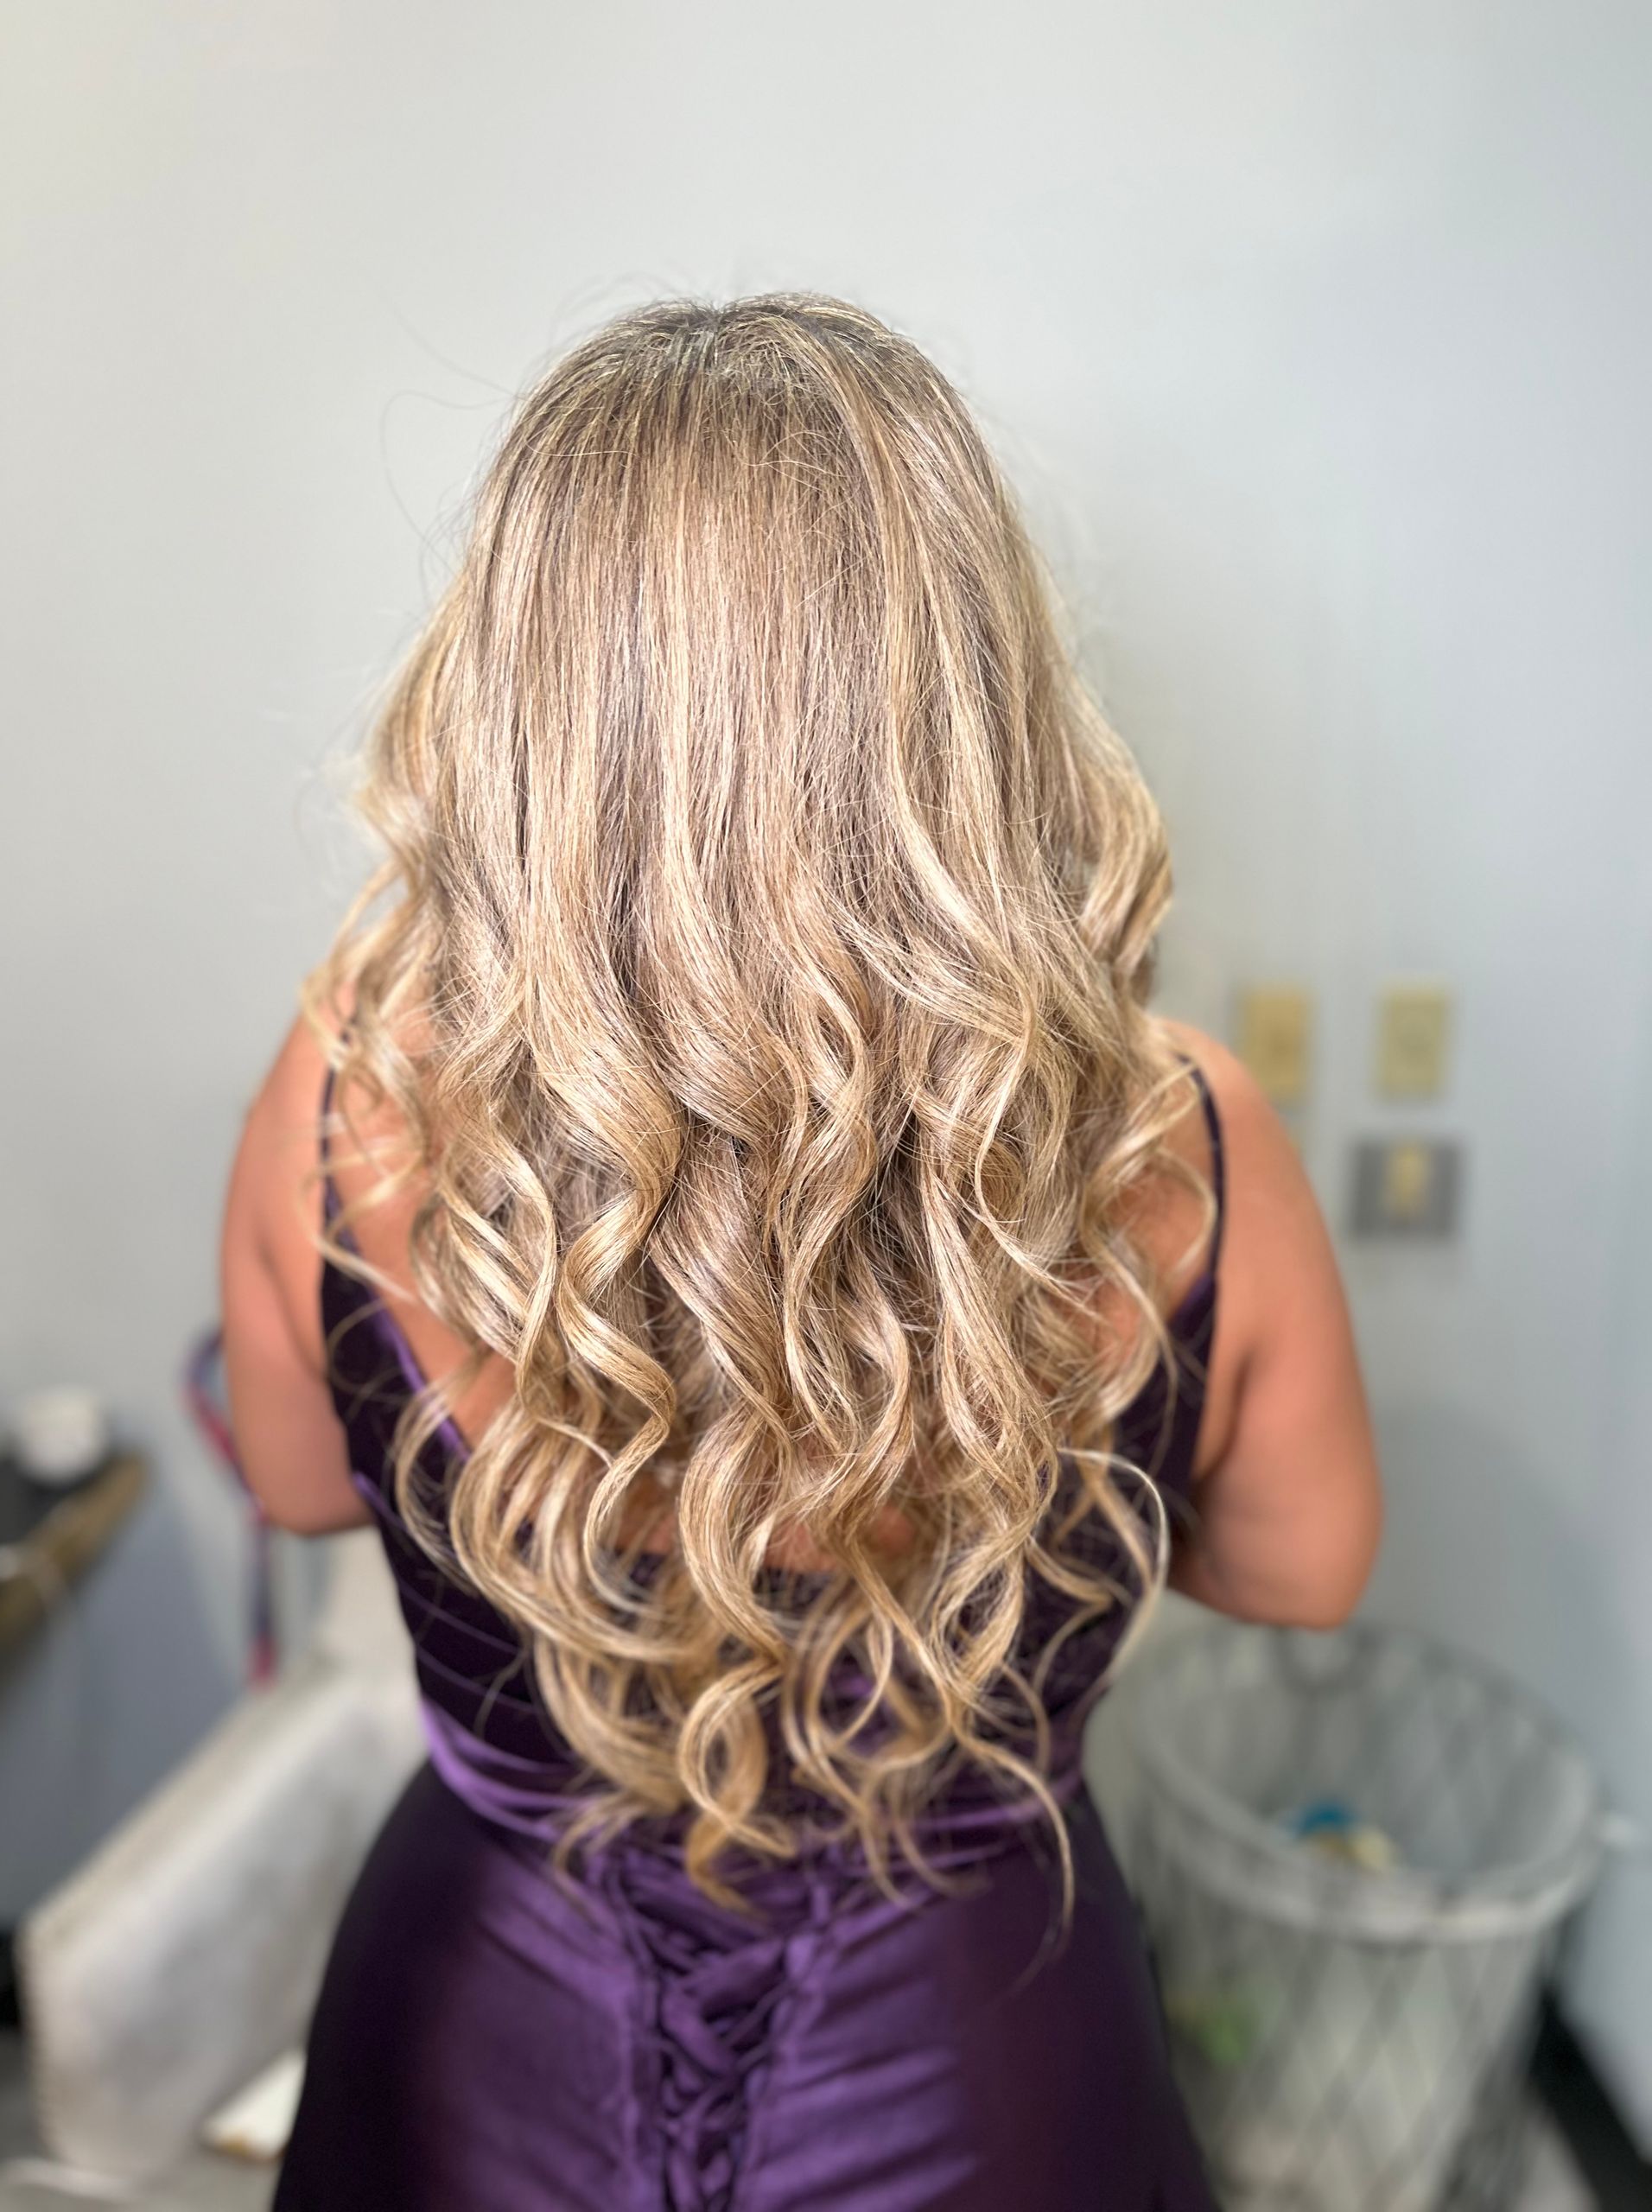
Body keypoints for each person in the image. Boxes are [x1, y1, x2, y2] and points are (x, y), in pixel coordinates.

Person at [220, 293, 1382, 2212]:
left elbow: (289, 1474)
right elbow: (1308, 1566)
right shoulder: (1185, 1143)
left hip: (480, 2060)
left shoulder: (350, 1085)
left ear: (513, 706)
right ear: (977, 696)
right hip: (981, 2071)